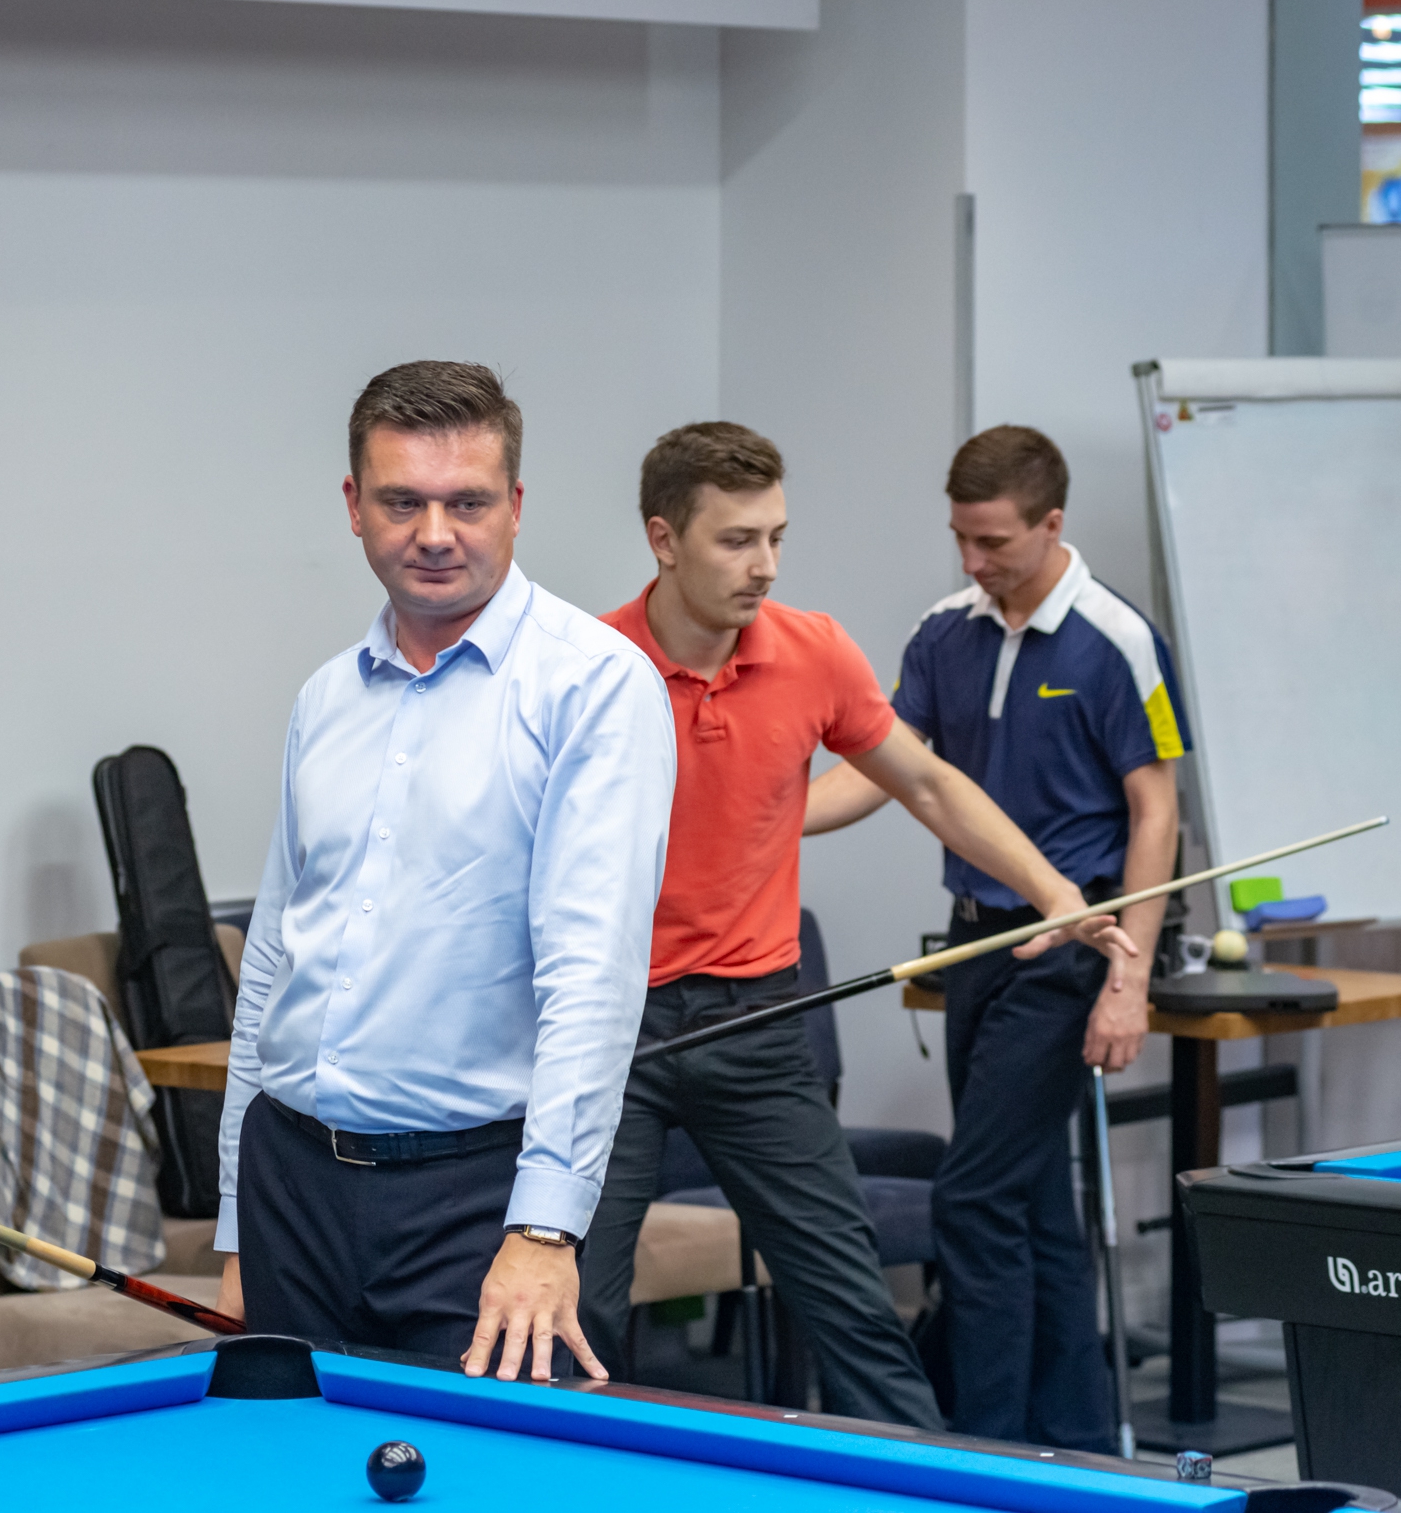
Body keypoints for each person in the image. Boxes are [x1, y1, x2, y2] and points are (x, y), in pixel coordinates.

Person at [581, 421, 1134, 1427]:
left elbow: (926, 783)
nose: (765, 565)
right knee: (575, 1318)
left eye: (776, 538)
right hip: (611, 1035)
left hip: (757, 1028)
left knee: (858, 1316)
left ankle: (931, 1488)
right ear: (664, 539)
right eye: (736, 541)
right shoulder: (584, 665)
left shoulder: (814, 651)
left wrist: (1057, 892)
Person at [213, 361, 676, 1383]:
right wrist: (238, 1218)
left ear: (515, 506)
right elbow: (274, 960)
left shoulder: (595, 686)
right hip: (291, 1186)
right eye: (401, 503)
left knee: (476, 1469)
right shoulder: (325, 699)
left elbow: (593, 980)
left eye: (467, 502)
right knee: (287, 1466)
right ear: (353, 506)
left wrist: (546, 1230)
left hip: (473, 1201)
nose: (434, 534)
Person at [806, 424, 1186, 1450]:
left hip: (1071, 948)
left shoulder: (1116, 638)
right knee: (1031, 1200)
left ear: (1051, 523)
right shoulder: (943, 633)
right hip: (972, 943)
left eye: (995, 542)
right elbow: (890, 770)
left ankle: (984, 1445)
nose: (974, 561)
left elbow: (1156, 813)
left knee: (973, 1199)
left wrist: (1130, 980)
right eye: (961, 540)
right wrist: (767, 816)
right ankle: (1074, 1443)